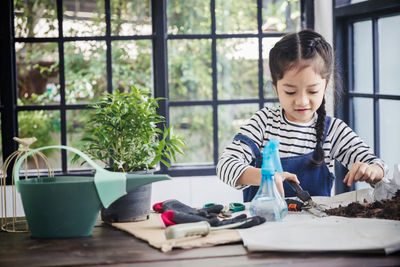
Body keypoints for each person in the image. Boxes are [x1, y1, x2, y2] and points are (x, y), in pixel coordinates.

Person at [217, 29, 388, 202]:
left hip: (316, 226)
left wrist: (371, 171)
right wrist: (266, 177)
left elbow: (379, 168)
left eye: (312, 91)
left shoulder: (334, 131)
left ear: (325, 85)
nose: (302, 101)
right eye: (290, 92)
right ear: (276, 87)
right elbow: (225, 166)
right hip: (264, 225)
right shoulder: (263, 122)